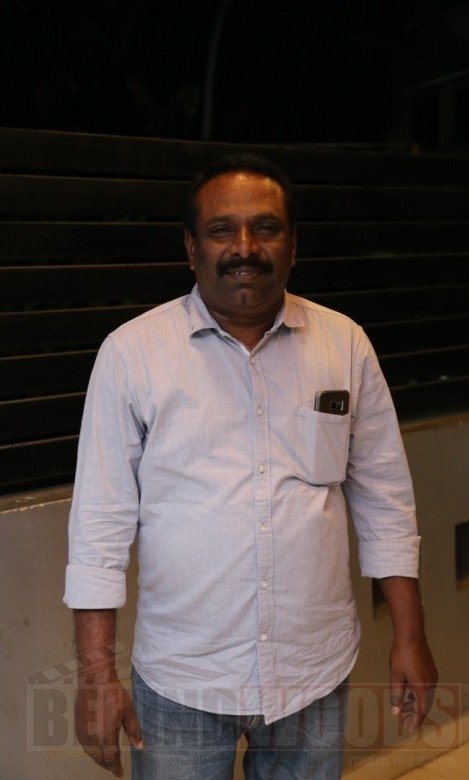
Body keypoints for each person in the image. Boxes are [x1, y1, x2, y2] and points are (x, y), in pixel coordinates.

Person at [64, 153, 437, 779]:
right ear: (191, 248)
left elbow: (385, 498)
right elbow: (99, 526)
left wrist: (410, 634)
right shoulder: (133, 354)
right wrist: (96, 675)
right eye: (221, 230)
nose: (244, 247)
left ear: (293, 244)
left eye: (265, 228)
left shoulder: (344, 343)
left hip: (313, 672)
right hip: (184, 678)